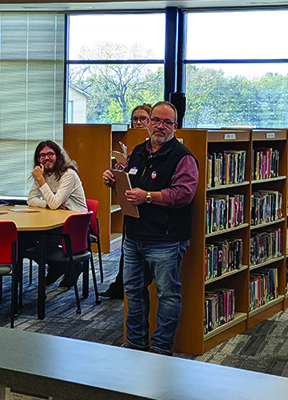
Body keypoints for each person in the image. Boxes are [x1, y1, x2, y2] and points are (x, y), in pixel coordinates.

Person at [101, 100, 199, 355]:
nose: (160, 126)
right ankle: (135, 343)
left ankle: (161, 349)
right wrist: (114, 179)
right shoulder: (138, 151)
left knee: (167, 294)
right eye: (155, 120)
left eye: (167, 122)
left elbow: (183, 194)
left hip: (166, 239)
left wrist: (147, 196)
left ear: (175, 126)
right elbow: (130, 183)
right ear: (148, 122)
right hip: (134, 235)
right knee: (133, 290)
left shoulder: (184, 158)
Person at [101, 104, 152, 299]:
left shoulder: (150, 147)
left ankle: (122, 286)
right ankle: (120, 286)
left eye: (143, 118)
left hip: (150, 214)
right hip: (131, 209)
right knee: (128, 252)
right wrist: (115, 178)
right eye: (135, 119)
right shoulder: (135, 147)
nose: (138, 122)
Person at [27, 140, 88, 287]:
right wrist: (47, 203)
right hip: (56, 221)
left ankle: (61, 266)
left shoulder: (68, 174)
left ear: (58, 156)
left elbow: (54, 204)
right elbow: (31, 199)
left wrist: (41, 180)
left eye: (50, 154)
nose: (46, 158)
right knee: (25, 240)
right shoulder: (44, 174)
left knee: (40, 239)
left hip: (75, 224)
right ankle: (60, 266)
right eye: (42, 155)